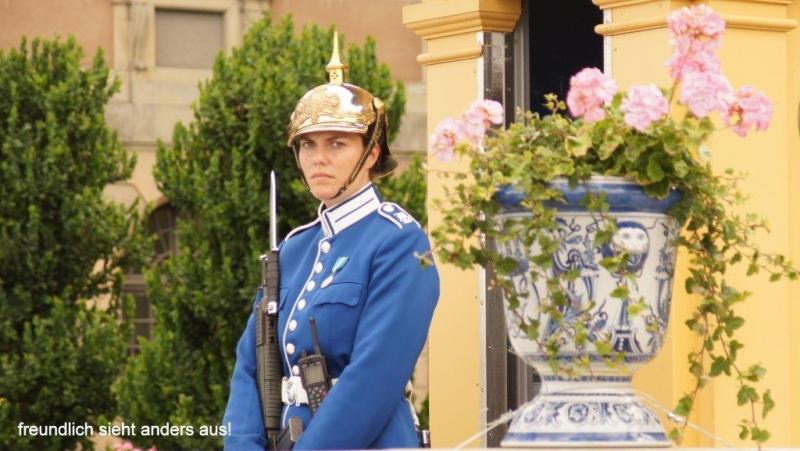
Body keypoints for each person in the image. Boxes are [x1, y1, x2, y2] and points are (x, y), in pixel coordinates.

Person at [222, 33, 440, 450]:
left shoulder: (399, 242)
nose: (318, 158)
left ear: (371, 153)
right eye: (308, 145)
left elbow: (373, 380)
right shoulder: (293, 249)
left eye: (336, 143)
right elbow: (249, 366)